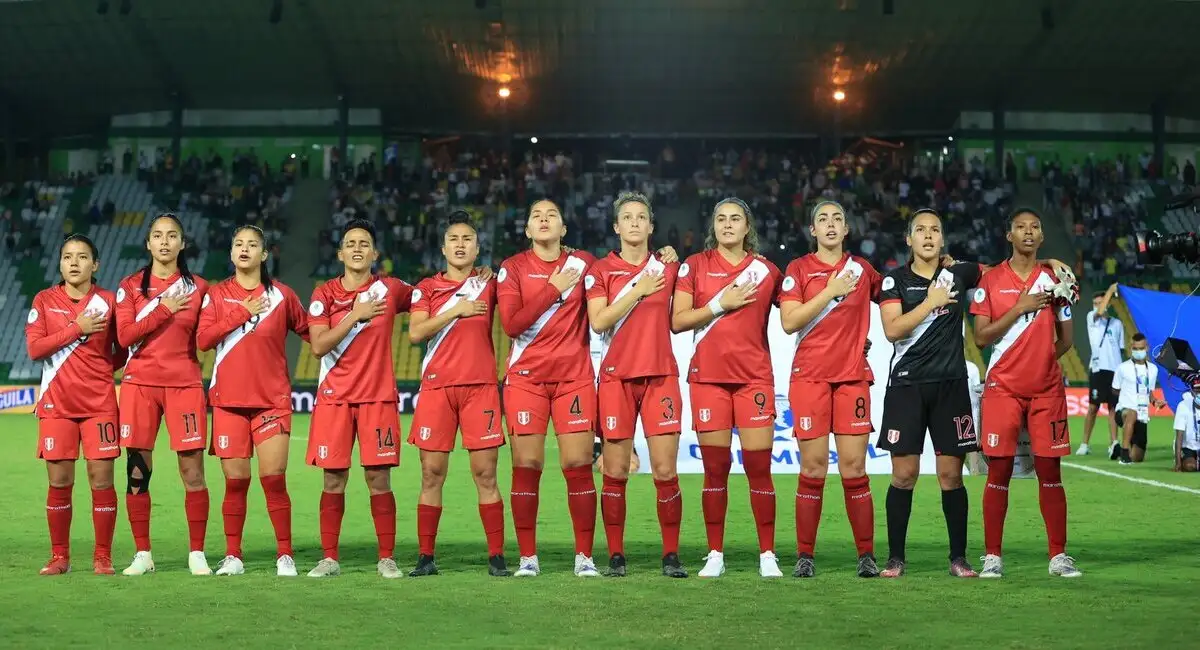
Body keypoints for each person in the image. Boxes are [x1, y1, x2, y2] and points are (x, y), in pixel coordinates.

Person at [672, 197, 782, 578]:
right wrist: (722, 304)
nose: (728, 225)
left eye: (735, 219)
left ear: (747, 226)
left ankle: (767, 553)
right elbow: (678, 320)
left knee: (758, 467)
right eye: (721, 219)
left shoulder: (768, 272)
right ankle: (715, 552)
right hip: (709, 379)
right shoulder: (694, 266)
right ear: (713, 226)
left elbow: (800, 311)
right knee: (715, 469)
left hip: (754, 379)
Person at [971, 208, 1081, 579]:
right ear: (1009, 236)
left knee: (1051, 472)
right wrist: (1019, 307)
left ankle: (1058, 555)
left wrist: (1041, 362)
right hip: (1002, 389)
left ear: (1042, 236)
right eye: (1021, 227)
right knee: (997, 471)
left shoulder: (1056, 280)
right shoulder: (990, 280)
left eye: (1035, 227)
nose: (1029, 232)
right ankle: (992, 556)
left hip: (1047, 391)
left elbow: (1066, 339)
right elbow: (981, 337)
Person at [497, 198, 603, 578]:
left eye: (552, 215)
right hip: (526, 380)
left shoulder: (586, 264)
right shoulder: (512, 269)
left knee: (577, 465)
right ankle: (528, 557)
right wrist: (554, 288)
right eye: (536, 216)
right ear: (527, 230)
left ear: (564, 229)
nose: (543, 220)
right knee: (527, 465)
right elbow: (511, 324)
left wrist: (665, 256)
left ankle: (584, 557)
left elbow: (626, 274)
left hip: (573, 379)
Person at [196, 225, 308, 576]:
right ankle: (233, 555)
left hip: (271, 400)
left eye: (252, 245)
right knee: (236, 482)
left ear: (264, 254)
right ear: (231, 253)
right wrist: (241, 312)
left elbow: (312, 332)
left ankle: (285, 555)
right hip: (229, 401)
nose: (244, 249)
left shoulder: (283, 296)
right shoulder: (216, 295)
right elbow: (204, 339)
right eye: (238, 244)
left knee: (274, 478)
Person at [585, 191, 686, 578]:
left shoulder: (669, 268)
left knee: (665, 472)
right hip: (616, 380)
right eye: (626, 217)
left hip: (661, 376)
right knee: (615, 472)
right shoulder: (600, 271)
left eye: (641, 217)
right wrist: (639, 290)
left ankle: (672, 555)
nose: (634, 223)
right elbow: (598, 322)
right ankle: (615, 555)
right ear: (616, 227)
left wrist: (664, 264)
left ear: (651, 226)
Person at [875, 209, 981, 578]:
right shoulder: (893, 282)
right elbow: (892, 330)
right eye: (920, 230)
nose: (928, 235)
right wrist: (929, 302)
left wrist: (1046, 261)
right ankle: (895, 559)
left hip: (951, 386)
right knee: (904, 475)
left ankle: (958, 558)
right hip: (907, 385)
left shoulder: (959, 274)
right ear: (909, 239)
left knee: (952, 476)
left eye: (935, 230)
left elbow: (1005, 269)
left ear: (942, 238)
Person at [780, 200, 882, 578]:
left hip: (852, 377)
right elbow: (790, 322)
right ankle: (805, 555)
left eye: (837, 218)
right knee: (814, 467)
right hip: (810, 378)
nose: (831, 224)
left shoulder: (864, 270)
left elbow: (898, 293)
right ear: (813, 230)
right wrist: (831, 291)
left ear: (846, 229)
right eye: (823, 219)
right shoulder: (799, 269)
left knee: (855, 468)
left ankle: (866, 555)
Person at [304, 219, 411, 578]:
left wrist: (477, 274)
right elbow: (318, 345)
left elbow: (434, 292)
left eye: (364, 243)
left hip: (377, 398)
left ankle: (386, 557)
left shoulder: (391, 289)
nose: (357, 248)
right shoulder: (324, 295)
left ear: (375, 253)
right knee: (333, 480)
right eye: (351, 243)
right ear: (340, 253)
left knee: (379, 480)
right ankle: (330, 558)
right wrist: (355, 315)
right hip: (335, 398)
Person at [406, 211, 508, 577]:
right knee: (431, 473)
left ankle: (497, 557)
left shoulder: (490, 283)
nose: (461, 244)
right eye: (454, 239)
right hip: (437, 389)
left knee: (486, 474)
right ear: (443, 247)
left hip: (480, 388)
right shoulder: (427, 289)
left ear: (478, 247)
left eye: (468, 239)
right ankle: (425, 557)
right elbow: (416, 333)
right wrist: (456, 310)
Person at [115, 213, 211, 576]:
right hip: (140, 384)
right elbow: (124, 337)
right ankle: (143, 554)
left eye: (172, 236)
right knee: (137, 472)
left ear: (183, 244)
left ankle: (197, 552)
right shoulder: (130, 287)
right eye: (158, 235)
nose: (165, 242)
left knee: (192, 470)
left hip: (184, 385)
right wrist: (164, 310)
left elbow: (206, 337)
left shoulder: (199, 287)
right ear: (148, 244)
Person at [26, 234, 122, 575]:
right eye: (68, 256)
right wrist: (76, 328)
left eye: (82, 257)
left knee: (101, 480)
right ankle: (59, 557)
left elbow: (123, 346)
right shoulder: (44, 300)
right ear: (60, 263)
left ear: (94, 265)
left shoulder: (109, 301)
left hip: (99, 405)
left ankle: (102, 557)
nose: (74, 263)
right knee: (60, 480)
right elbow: (36, 349)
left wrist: (100, 371)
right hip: (57, 405)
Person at [1078, 284, 1124, 458]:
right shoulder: (1092, 318)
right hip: (1098, 368)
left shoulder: (1117, 324)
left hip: (1115, 369)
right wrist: (1110, 291)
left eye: (1101, 302)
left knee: (1113, 407)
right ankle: (1084, 443)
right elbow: (1099, 312)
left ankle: (1114, 443)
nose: (1098, 305)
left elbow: (1120, 349)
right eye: (1095, 303)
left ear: (1109, 304)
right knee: (1092, 407)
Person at [1111, 333, 1167, 464]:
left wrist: (1155, 401)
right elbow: (1115, 389)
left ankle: (1118, 450)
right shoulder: (1122, 368)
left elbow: (1149, 392)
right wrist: (1125, 399)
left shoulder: (1153, 370)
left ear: (1146, 348)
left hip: (1142, 415)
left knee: (1137, 457)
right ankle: (1124, 454)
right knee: (1131, 413)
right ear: (1131, 348)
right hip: (1124, 411)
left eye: (1141, 348)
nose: (1138, 351)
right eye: (1135, 348)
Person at [1173, 387, 1200, 472]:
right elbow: (1179, 436)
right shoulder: (1183, 406)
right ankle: (1184, 460)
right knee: (1190, 466)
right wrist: (1178, 463)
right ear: (1192, 392)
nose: (1199, 393)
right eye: (1197, 390)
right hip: (1188, 447)